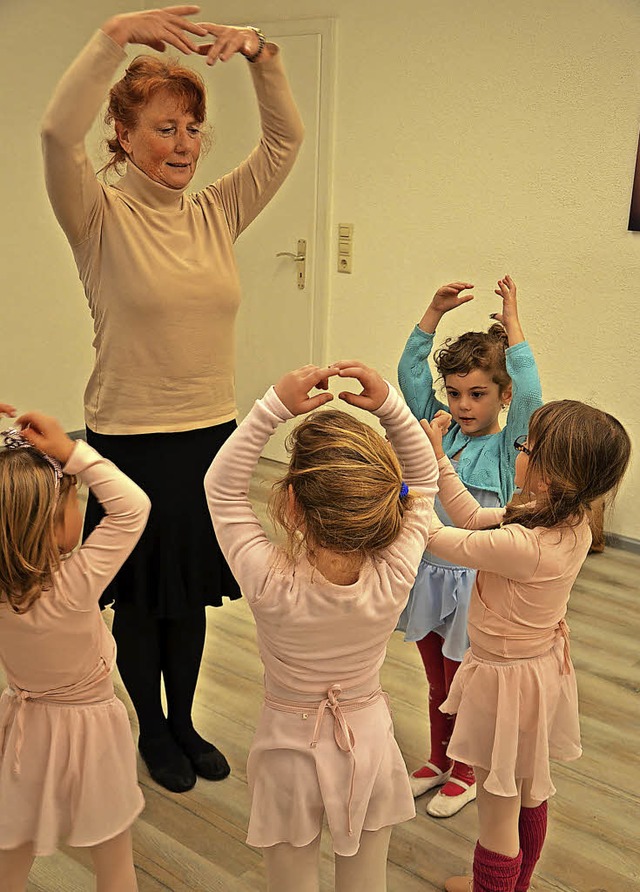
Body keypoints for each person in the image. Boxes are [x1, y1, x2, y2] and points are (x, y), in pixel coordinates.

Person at [41, 5, 304, 793]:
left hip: (210, 438)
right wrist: (112, 39)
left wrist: (259, 51)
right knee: (140, 603)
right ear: (123, 136)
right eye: (164, 129)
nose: (184, 144)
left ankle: (183, 721)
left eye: (192, 128)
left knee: (187, 598)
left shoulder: (217, 212)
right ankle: (151, 731)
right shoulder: (97, 215)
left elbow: (285, 140)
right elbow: (57, 134)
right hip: (128, 439)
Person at [204, 362, 439, 892]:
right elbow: (425, 480)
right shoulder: (395, 573)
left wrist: (273, 406)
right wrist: (389, 406)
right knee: (365, 883)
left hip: (288, 750)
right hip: (371, 743)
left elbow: (220, 490)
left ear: (290, 503)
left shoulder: (270, 582)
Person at [420, 400, 631, 892]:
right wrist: (439, 458)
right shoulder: (567, 519)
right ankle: (516, 885)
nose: (518, 451)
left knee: (497, 812)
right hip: (540, 673)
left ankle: (491, 885)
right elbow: (472, 515)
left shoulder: (523, 543)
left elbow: (436, 537)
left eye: (525, 446)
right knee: (529, 790)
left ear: (548, 476)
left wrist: (410, 483)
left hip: (504, 683)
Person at [396, 276, 542, 817]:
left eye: (477, 393)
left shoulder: (511, 447)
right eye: (454, 392)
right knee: (436, 678)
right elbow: (410, 380)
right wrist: (431, 313)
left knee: (467, 683)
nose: (461, 405)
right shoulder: (443, 433)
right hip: (429, 577)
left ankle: (466, 769)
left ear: (502, 396)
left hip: (479, 586)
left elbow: (531, 397)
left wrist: (517, 331)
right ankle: (438, 759)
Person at [0, 411, 151, 892]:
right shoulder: (74, 584)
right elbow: (132, 506)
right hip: (91, 733)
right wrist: (73, 453)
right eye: (74, 503)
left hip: (22, 730)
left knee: (11, 850)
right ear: (50, 523)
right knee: (113, 858)